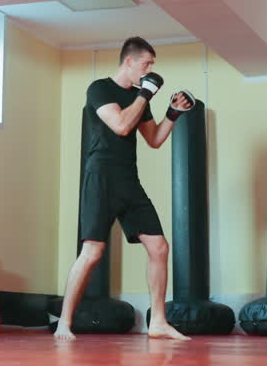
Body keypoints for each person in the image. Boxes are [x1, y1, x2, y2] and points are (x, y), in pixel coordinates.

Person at [55, 37, 192, 341]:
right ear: (128, 61)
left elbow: (154, 139)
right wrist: (145, 94)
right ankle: (64, 322)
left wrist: (173, 113)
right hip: (101, 177)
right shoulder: (99, 88)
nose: (149, 70)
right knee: (92, 252)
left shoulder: (139, 97)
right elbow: (119, 125)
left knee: (159, 247)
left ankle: (157, 321)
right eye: (146, 64)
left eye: (152, 65)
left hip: (128, 179)